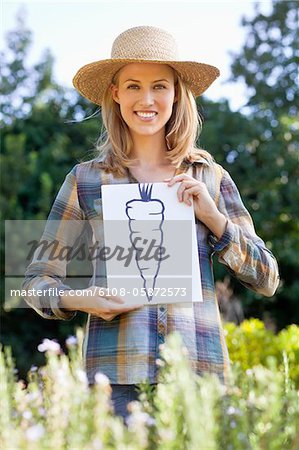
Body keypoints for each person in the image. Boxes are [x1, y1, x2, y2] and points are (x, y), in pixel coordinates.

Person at [22, 25, 280, 422]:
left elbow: (267, 278)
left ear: (177, 93)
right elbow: (35, 283)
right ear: (115, 93)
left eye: (159, 86)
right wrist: (83, 298)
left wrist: (213, 217)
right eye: (133, 86)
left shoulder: (211, 178)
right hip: (115, 383)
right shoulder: (85, 180)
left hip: (198, 379)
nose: (147, 99)